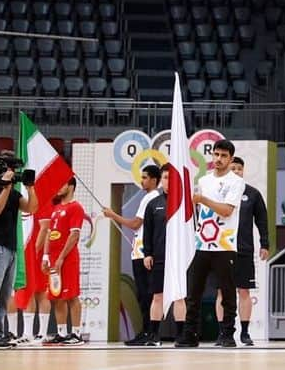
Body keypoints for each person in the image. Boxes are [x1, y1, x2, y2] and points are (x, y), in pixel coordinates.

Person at [176, 139, 245, 349]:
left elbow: (226, 211)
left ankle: (227, 333)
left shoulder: (236, 181)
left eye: (224, 156)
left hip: (224, 245)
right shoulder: (204, 180)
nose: (219, 159)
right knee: (193, 291)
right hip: (202, 244)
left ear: (231, 158)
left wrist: (202, 200)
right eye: (216, 154)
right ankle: (190, 334)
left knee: (227, 292)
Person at [0, 154, 38, 348]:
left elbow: (31, 208)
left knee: (3, 295)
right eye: (10, 167)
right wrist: (5, 188)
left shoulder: (14, 192)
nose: (13, 172)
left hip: (10, 247)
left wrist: (30, 187)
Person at [103, 164, 161, 345]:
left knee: (146, 295)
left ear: (153, 179)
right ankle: (146, 332)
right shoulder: (149, 197)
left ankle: (149, 333)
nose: (142, 181)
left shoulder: (151, 197)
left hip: (144, 252)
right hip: (139, 251)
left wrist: (113, 215)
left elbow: (136, 224)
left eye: (145, 177)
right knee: (143, 294)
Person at [215, 156, 270, 346]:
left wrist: (265, 243)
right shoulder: (219, 193)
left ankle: (245, 332)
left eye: (239, 168)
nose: (237, 171)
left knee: (244, 290)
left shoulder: (252, 194)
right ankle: (223, 333)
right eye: (233, 168)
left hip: (244, 249)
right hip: (222, 248)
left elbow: (262, 220)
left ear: (243, 171)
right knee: (222, 292)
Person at [138, 166, 186, 346]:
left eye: (172, 178)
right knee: (157, 296)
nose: (168, 181)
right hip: (158, 257)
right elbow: (147, 232)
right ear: (161, 180)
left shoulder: (184, 203)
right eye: (165, 177)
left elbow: (192, 230)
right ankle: (153, 335)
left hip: (179, 259)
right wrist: (147, 254)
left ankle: (181, 335)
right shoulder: (153, 204)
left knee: (179, 297)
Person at [43, 177, 85, 345]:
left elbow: (74, 235)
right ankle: (62, 332)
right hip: (53, 259)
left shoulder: (76, 207)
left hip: (68, 258)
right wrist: (46, 256)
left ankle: (76, 334)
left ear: (71, 186)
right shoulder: (56, 208)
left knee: (71, 296)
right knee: (57, 296)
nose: (58, 188)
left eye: (62, 184)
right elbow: (49, 233)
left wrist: (61, 258)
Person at [14, 200, 53, 345]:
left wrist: (36, 252)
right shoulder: (22, 202)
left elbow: (45, 228)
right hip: (23, 252)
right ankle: (27, 333)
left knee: (41, 292)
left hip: (36, 254)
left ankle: (42, 334)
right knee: (26, 290)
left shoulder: (43, 202)